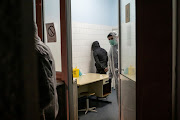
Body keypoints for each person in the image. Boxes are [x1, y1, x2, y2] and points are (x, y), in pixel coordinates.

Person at [34, 22, 58, 120]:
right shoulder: (40, 47)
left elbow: (47, 90)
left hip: (44, 111)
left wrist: (38, 111)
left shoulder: (37, 51)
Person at [107, 31, 119, 97]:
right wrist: (110, 76)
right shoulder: (111, 48)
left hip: (120, 74)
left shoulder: (120, 47)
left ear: (115, 37)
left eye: (112, 38)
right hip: (115, 75)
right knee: (118, 94)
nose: (110, 41)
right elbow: (110, 63)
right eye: (109, 39)